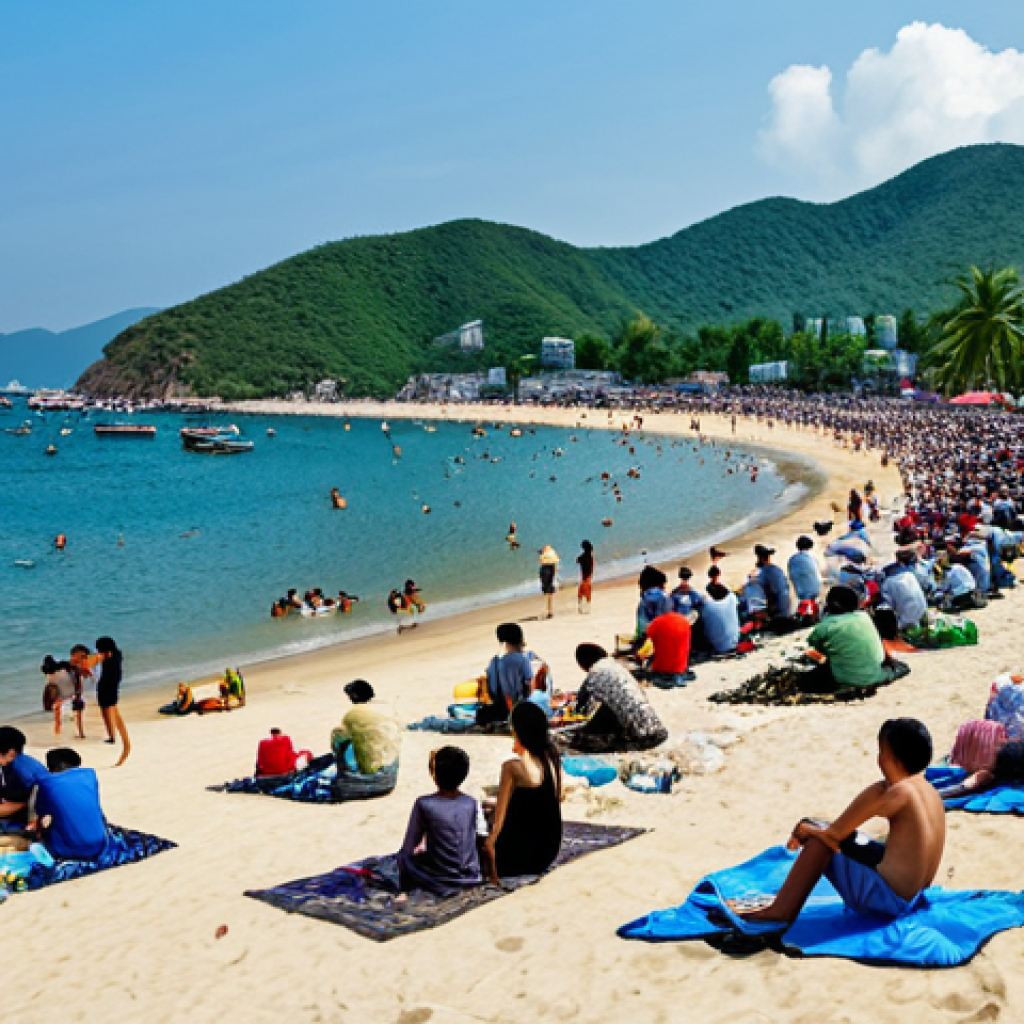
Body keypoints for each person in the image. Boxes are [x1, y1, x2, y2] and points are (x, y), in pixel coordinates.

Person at [737, 719, 944, 927]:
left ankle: (780, 912)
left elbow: (833, 836)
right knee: (827, 829)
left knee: (819, 842)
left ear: (889, 756)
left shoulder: (896, 792)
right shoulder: (929, 790)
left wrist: (804, 829)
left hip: (890, 902)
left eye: (881, 750)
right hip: (916, 897)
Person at [482, 701, 563, 882]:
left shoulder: (512, 767)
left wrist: (489, 842)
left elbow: (498, 824)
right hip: (547, 852)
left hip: (516, 859)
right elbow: (557, 797)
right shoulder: (552, 756)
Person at [397, 746, 484, 895]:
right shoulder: (471, 803)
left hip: (440, 879)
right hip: (470, 877)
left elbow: (408, 849)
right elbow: (479, 839)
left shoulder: (424, 804)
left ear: (434, 774)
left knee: (403, 860)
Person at [566, 644, 668, 753]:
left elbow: (580, 709)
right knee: (610, 707)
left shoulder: (595, 673)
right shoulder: (617, 667)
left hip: (642, 737)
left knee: (584, 739)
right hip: (656, 730)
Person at [800, 586, 890, 693]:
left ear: (832, 605)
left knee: (805, 677)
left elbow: (813, 644)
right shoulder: (865, 617)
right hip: (876, 675)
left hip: (846, 679)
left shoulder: (826, 625)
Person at [32, 748, 109, 861]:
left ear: (50, 767)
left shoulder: (46, 784)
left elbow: (42, 816)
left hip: (69, 850)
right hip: (101, 844)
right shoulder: (90, 775)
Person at [330, 680, 401, 797]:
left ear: (355, 696)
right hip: (391, 775)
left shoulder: (353, 715)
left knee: (340, 737)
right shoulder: (386, 709)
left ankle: (351, 776)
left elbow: (337, 742)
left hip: (376, 780)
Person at [476, 623, 536, 727]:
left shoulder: (494, 661)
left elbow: (492, 689)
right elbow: (531, 684)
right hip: (518, 706)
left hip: (500, 707)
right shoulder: (522, 659)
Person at [0, 726, 49, 827]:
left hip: (32, 814)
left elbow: (40, 800)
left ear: (11, 753)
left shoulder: (22, 771)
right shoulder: (12, 763)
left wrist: (24, 805)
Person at [95, 637, 130, 766]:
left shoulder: (109, 656)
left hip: (108, 685)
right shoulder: (117, 654)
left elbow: (97, 660)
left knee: (109, 710)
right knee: (107, 710)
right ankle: (112, 736)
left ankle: (112, 736)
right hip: (110, 685)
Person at [637, 610, 694, 688]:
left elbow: (646, 645)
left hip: (660, 667)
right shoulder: (684, 621)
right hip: (680, 667)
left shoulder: (656, 623)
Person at [880, 553, 928, 631]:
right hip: (922, 613)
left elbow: (887, 605)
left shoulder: (888, 582)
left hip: (907, 620)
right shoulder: (910, 575)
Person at [41, 655, 84, 739]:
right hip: (71, 692)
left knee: (58, 717)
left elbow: (51, 686)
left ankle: (57, 734)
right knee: (77, 715)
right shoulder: (65, 667)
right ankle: (80, 733)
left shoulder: (48, 672)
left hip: (62, 695)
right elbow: (77, 675)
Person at [754, 544, 793, 623]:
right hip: (787, 610)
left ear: (759, 558)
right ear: (768, 557)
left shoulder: (761, 573)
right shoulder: (778, 570)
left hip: (777, 614)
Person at [701, 581, 741, 655]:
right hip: (735, 642)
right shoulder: (732, 599)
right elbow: (730, 593)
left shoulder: (707, 606)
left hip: (718, 648)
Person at [787, 536, 823, 604]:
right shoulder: (812, 559)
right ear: (810, 546)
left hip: (801, 592)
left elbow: (791, 576)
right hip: (814, 591)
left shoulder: (792, 559)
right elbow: (817, 577)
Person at [538, 546, 559, 619]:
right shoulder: (553, 559)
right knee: (550, 594)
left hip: (545, 574)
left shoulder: (543, 559)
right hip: (550, 574)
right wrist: (555, 579)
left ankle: (548, 610)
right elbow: (555, 569)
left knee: (546, 592)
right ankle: (550, 611)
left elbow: (541, 564)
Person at [577, 540, 594, 614]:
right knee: (587, 592)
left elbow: (577, 560)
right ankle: (586, 607)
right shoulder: (590, 556)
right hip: (589, 576)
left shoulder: (584, 556)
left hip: (585, 576)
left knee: (581, 592)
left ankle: (582, 607)